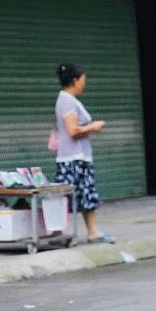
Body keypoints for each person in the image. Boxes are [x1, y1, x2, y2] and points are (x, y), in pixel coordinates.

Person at [53, 63, 112, 244]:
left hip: (75, 157)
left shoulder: (68, 99)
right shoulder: (67, 101)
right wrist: (93, 127)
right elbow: (72, 130)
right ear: (74, 81)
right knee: (78, 195)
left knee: (82, 195)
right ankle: (65, 234)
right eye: (83, 80)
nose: (84, 83)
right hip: (75, 159)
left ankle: (83, 232)